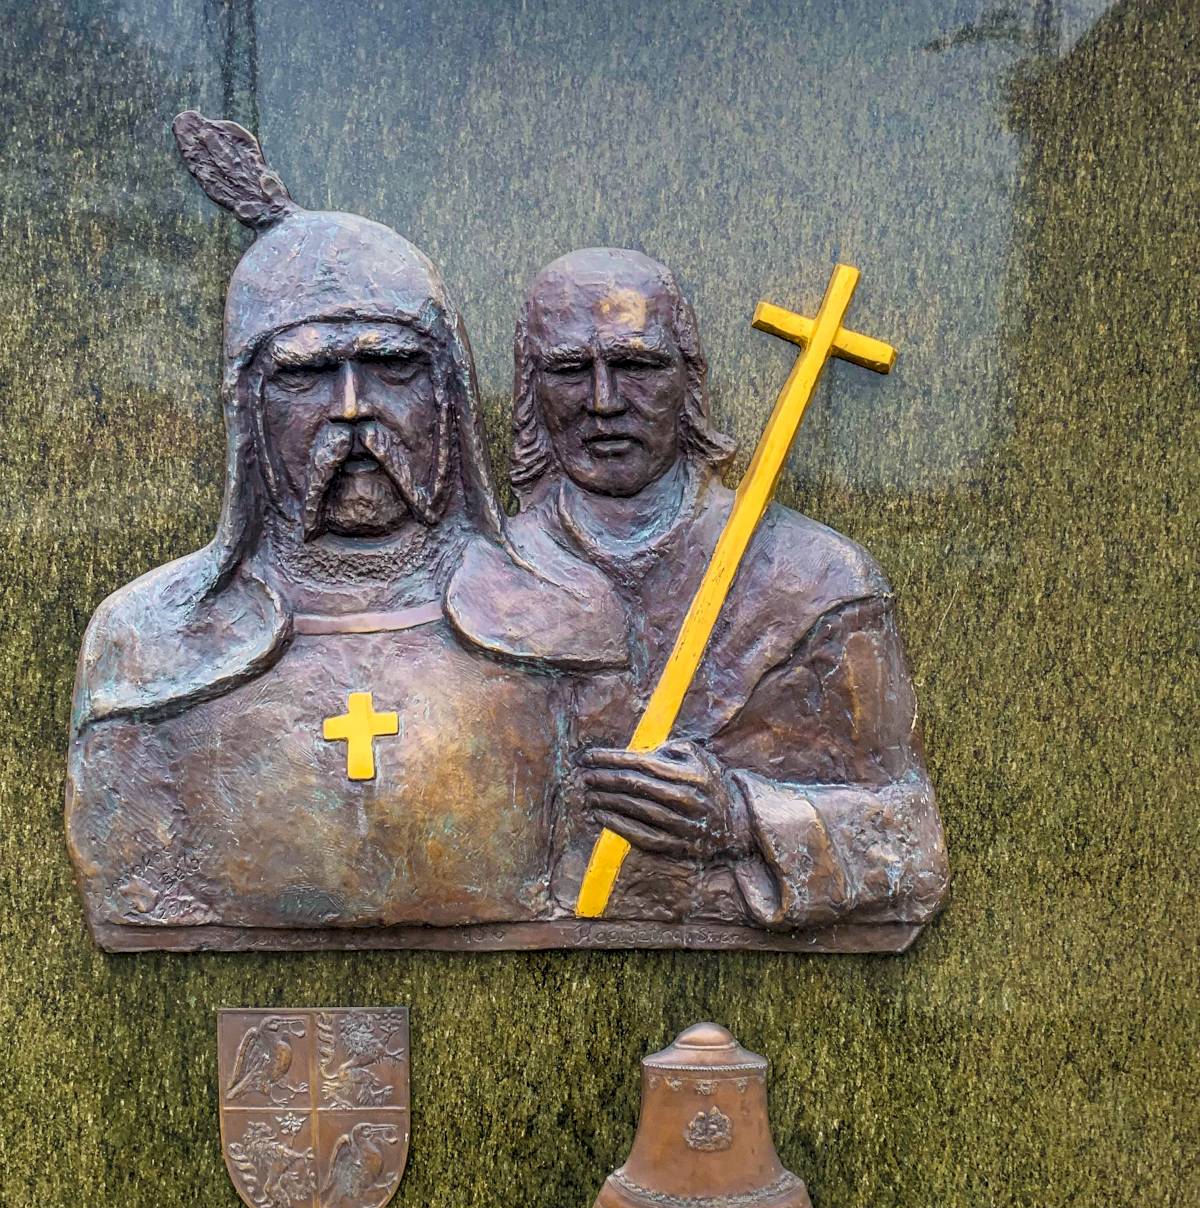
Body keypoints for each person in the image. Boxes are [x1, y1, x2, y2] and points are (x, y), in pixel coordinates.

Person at [66, 114, 559, 949]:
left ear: (449, 399)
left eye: (393, 366)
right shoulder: (145, 643)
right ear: (248, 415)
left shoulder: (561, 617)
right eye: (305, 374)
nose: (353, 407)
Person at [449, 247, 949, 950]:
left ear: (689, 380)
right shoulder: (472, 578)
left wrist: (742, 819)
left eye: (637, 365)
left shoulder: (819, 580)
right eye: (568, 370)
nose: (604, 401)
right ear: (530, 392)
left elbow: (915, 849)